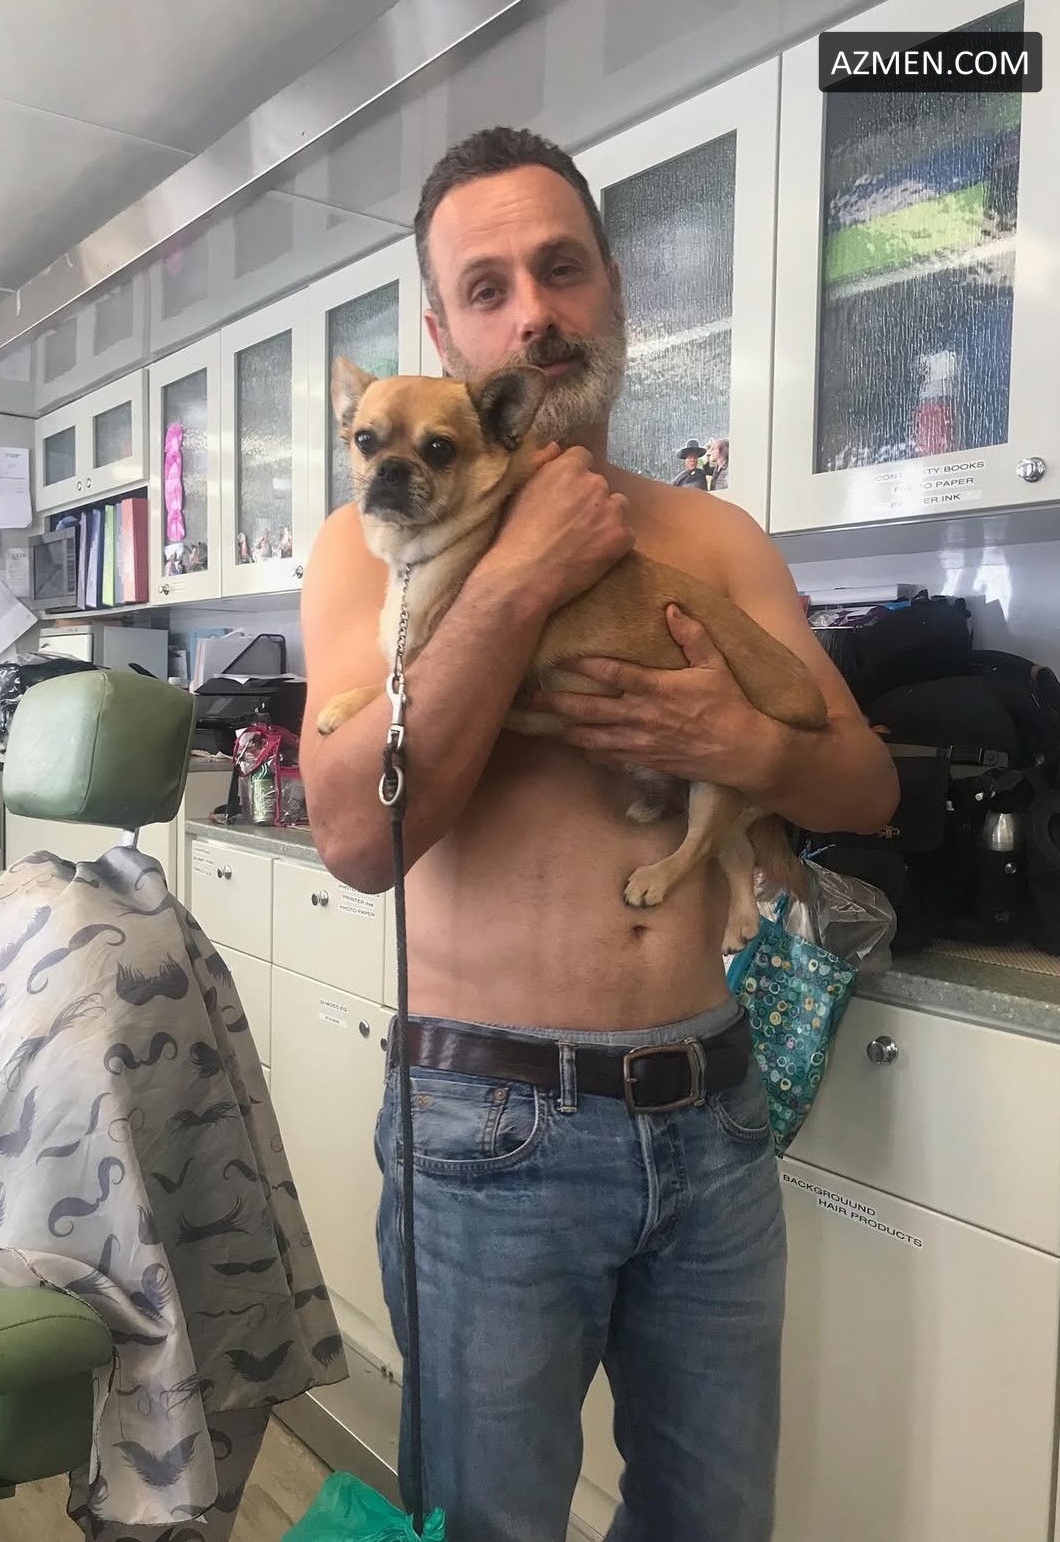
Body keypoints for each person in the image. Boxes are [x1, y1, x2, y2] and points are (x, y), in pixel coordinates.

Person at [299, 126, 898, 1542]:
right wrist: (519, 580)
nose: (535, 312)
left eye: (562, 269)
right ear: (445, 338)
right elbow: (354, 837)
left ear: (612, 289)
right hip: (484, 1126)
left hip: (713, 1113)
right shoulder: (368, 544)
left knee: (714, 1522)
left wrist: (739, 747)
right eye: (488, 286)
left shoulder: (714, 534)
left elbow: (864, 788)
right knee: (488, 1525)